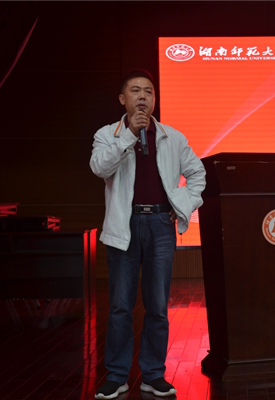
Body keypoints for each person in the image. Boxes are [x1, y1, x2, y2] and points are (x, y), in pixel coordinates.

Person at [90, 69, 206, 399]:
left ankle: (153, 374)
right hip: (123, 225)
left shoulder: (173, 137)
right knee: (120, 306)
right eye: (136, 91)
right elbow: (99, 168)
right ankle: (117, 375)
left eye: (149, 92)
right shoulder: (107, 134)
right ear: (122, 99)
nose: (143, 96)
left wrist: (182, 204)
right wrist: (129, 134)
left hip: (160, 226)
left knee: (157, 306)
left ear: (155, 99)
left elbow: (197, 174)